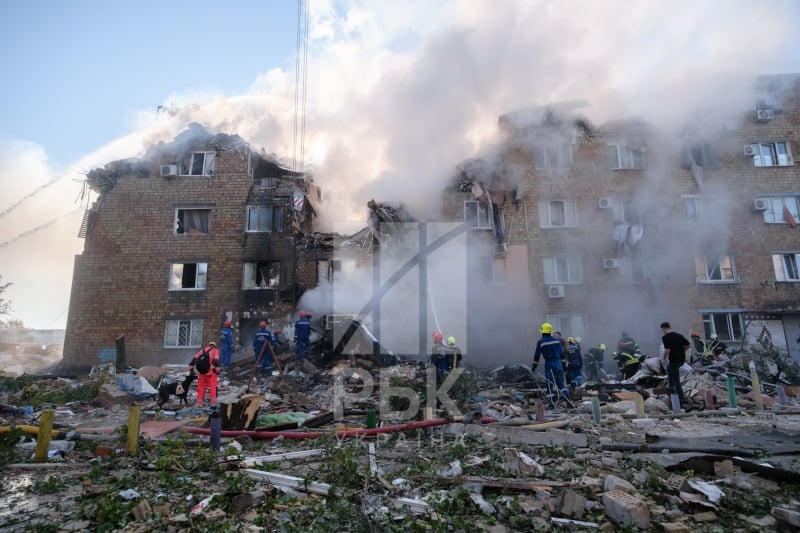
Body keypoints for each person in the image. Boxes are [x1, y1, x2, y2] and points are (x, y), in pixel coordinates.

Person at [532, 322, 570, 402]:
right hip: (558, 363)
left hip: (549, 363)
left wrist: (534, 367)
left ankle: (552, 402)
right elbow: (562, 354)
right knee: (561, 383)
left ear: (542, 331)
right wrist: (564, 365)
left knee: (550, 384)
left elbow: (537, 356)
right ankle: (567, 399)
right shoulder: (557, 341)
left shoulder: (541, 342)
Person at [660, 321, 691, 409]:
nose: (662, 331)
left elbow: (667, 350)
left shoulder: (666, 337)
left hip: (674, 361)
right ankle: (671, 389)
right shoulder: (679, 335)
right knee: (669, 370)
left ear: (664, 328)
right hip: (681, 360)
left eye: (662, 330)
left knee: (676, 380)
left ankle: (681, 399)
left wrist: (664, 358)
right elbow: (688, 345)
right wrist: (680, 349)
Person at [189, 341, 221, 408]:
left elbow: (193, 361)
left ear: (209, 345)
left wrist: (191, 370)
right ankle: (213, 404)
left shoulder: (202, 350)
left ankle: (199, 403)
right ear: (215, 346)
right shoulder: (215, 351)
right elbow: (216, 360)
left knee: (200, 388)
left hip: (202, 373)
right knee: (213, 388)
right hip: (211, 373)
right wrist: (218, 371)